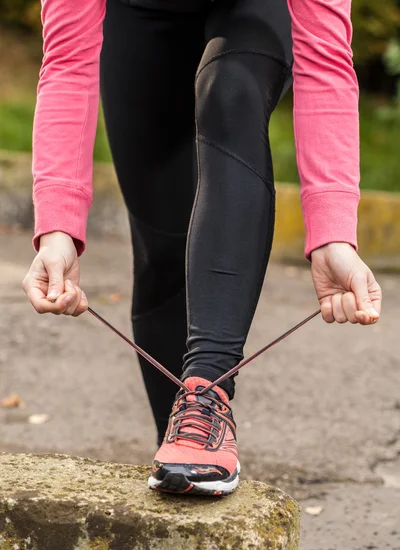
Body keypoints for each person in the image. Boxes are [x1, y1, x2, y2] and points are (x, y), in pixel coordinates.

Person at [23, 0, 382, 496]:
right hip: (138, 20)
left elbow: (324, 59)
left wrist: (333, 232)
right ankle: (182, 451)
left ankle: (206, 392)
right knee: (162, 250)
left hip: (253, 13)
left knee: (229, 91)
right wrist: (59, 228)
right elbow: (67, 62)